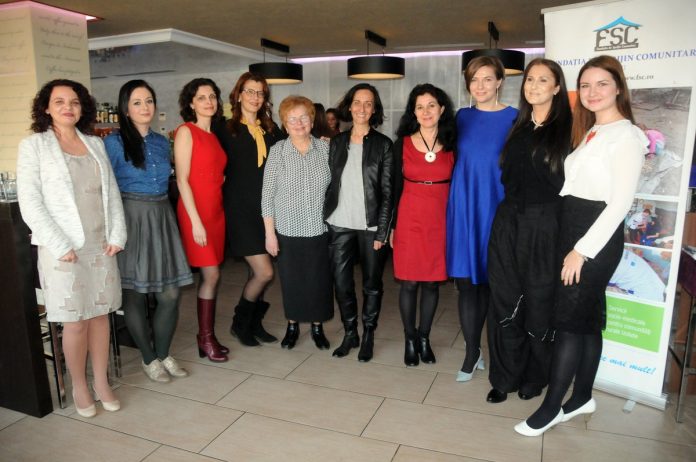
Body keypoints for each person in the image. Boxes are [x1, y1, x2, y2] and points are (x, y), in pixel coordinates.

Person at [515, 55, 648, 436]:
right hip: (572, 228)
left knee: (570, 324)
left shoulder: (626, 136)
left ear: (618, 88)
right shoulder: (593, 130)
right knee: (586, 321)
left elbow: (620, 204)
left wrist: (581, 250)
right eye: (585, 85)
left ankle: (552, 407)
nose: (592, 92)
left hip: (593, 237)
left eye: (602, 84)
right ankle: (583, 397)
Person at [17, 79, 126, 417]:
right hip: (62, 249)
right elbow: (31, 203)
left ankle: (102, 381)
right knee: (75, 321)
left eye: (75, 102)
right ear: (46, 108)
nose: (68, 107)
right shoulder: (34, 146)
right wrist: (59, 243)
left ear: (83, 108)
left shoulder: (94, 143)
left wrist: (117, 234)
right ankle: (79, 385)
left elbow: (111, 193)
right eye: (60, 101)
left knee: (101, 317)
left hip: (100, 245)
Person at [486, 59, 572, 404]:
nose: (534, 86)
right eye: (530, 79)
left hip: (545, 223)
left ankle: (536, 376)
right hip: (508, 220)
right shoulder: (517, 127)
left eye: (543, 80)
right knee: (504, 298)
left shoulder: (568, 131)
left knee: (539, 300)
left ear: (556, 87)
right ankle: (504, 376)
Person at [105, 80, 193, 382]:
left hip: (162, 215)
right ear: (125, 109)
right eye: (137, 102)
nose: (145, 107)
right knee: (135, 295)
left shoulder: (161, 141)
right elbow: (105, 188)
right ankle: (148, 358)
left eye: (149, 101)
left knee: (170, 294)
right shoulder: (114, 142)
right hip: (131, 217)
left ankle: (164, 353)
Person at [446, 56, 518, 381]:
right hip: (464, 206)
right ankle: (472, 351)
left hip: (497, 207)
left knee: (492, 282)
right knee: (466, 283)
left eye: (488, 79)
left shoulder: (515, 118)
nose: (480, 86)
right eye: (474, 80)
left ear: (500, 81)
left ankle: (495, 352)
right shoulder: (461, 117)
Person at [325, 83, 394, 362]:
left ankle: (368, 335)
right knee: (341, 284)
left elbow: (388, 192)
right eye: (357, 102)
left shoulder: (384, 145)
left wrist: (382, 230)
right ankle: (350, 332)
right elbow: (329, 182)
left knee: (372, 284)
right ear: (350, 107)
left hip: (371, 226)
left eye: (368, 103)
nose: (362, 108)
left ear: (374, 109)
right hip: (339, 223)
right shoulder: (337, 142)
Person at [213, 72, 282, 347]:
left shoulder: (271, 129)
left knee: (258, 273)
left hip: (267, 210)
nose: (255, 97)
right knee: (265, 272)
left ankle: (254, 323)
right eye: (250, 91)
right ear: (239, 94)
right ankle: (239, 323)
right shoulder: (224, 129)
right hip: (239, 209)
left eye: (260, 92)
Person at [390, 84, 456, 366]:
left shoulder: (454, 143)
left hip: (441, 219)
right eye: (420, 107)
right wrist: (391, 226)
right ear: (413, 112)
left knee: (431, 283)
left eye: (431, 105)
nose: (426, 111)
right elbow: (393, 189)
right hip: (409, 217)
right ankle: (409, 338)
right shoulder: (402, 143)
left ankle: (424, 337)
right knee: (409, 282)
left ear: (441, 109)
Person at [261, 95, 332, 350]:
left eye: (303, 117)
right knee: (292, 281)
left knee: (318, 281)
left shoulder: (326, 149)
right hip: (287, 230)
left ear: (312, 120)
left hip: (319, 229)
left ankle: (317, 326)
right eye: (292, 119)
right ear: (284, 123)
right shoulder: (278, 151)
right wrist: (270, 234)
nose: (299, 123)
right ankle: (292, 325)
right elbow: (267, 195)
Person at [174, 78, 228, 362]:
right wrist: (195, 222)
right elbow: (182, 179)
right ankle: (205, 337)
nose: (209, 102)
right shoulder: (186, 131)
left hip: (215, 211)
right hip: (196, 212)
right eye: (201, 97)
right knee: (212, 274)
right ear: (191, 104)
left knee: (213, 274)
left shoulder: (214, 135)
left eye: (212, 96)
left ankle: (208, 336)